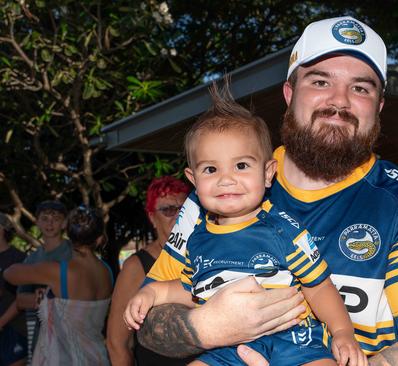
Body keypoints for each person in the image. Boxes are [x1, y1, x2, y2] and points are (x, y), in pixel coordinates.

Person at [137, 16, 398, 365]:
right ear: (289, 93)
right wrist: (207, 326)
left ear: (379, 106)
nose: (339, 101)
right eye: (320, 81)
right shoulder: (221, 195)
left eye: (361, 88)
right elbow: (148, 324)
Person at [125, 87, 365, 366]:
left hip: (294, 342)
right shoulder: (198, 238)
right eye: (211, 170)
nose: (226, 179)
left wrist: (342, 332)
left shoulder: (283, 229)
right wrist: (152, 293)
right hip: (227, 349)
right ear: (193, 179)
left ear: (267, 173)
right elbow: (191, 288)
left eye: (240, 165)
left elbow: (319, 286)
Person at [4, 206, 114, 365]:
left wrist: (43, 294)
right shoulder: (107, 271)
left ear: (69, 234)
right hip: (97, 357)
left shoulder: (59, 271)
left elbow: (9, 273)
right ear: (99, 238)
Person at [106, 176, 191, 365]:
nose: (178, 216)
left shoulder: (205, 255)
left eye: (184, 209)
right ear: (152, 217)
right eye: (168, 210)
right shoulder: (136, 267)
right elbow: (117, 343)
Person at [15, 200, 72, 364]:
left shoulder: (75, 253)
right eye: (45, 218)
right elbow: (20, 300)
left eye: (55, 218)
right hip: (42, 340)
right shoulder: (32, 259)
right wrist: (41, 298)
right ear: (37, 222)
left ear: (64, 223)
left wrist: (50, 297)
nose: (50, 223)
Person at [0, 213, 27, 366]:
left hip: (14, 330)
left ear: (3, 229)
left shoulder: (19, 258)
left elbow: (22, 298)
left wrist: (1, 322)